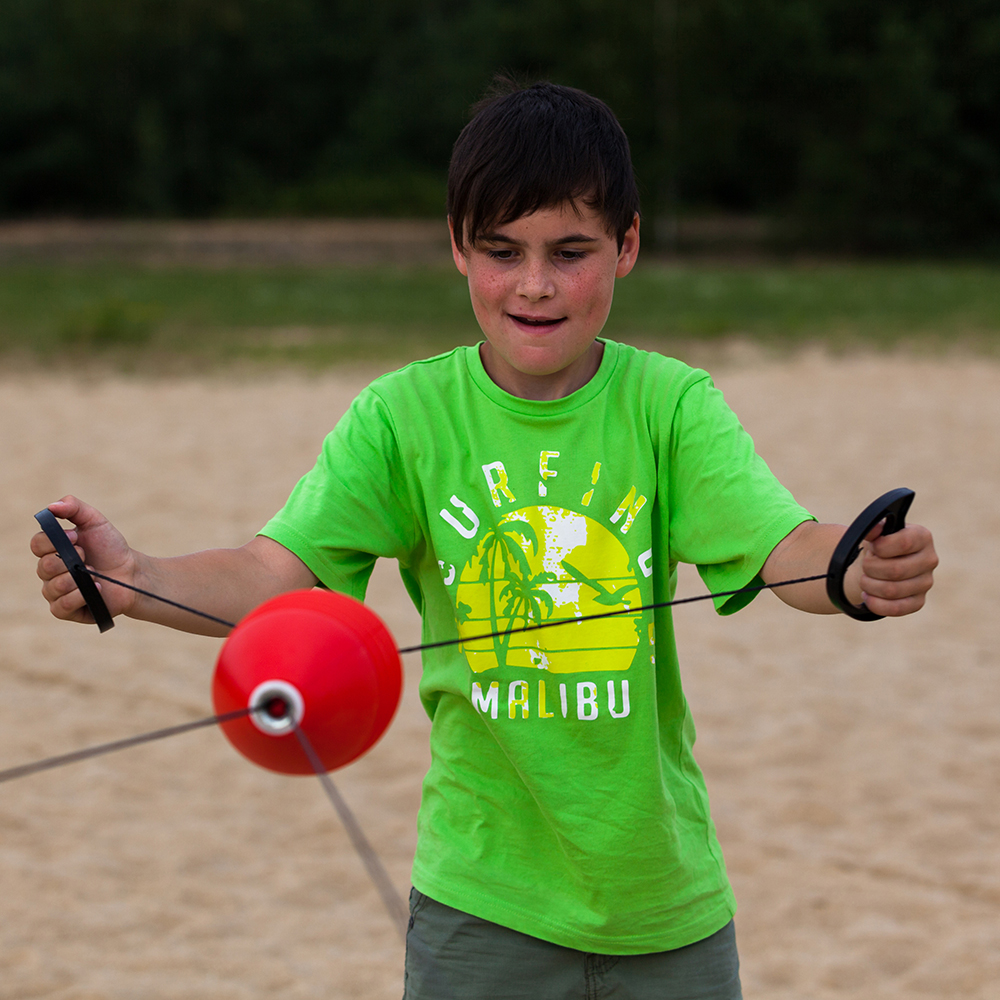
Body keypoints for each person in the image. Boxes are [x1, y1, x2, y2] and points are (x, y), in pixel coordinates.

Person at [32, 80, 937, 1000]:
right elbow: (279, 576)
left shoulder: (670, 406)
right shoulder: (403, 416)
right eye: (502, 252)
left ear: (627, 245)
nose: (535, 285)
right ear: (458, 248)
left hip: (666, 904)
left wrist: (854, 568)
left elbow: (780, 545)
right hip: (481, 906)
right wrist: (137, 579)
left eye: (570, 251)